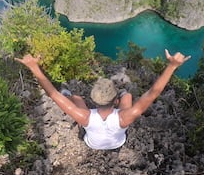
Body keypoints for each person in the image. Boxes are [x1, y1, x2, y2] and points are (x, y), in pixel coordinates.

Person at [15, 49, 191, 150]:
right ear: (114, 101)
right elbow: (153, 92)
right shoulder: (126, 116)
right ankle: (121, 95)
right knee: (128, 95)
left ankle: (71, 95)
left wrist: (34, 67)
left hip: (92, 144)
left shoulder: (84, 116)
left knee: (75, 97)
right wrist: (172, 66)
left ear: (94, 100)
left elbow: (53, 94)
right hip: (118, 142)